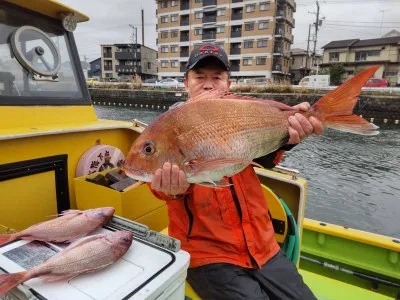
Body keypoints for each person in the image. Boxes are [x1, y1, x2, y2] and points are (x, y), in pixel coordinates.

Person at [149, 44, 323, 299]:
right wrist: (169, 190)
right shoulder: (170, 126)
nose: (209, 85)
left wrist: (288, 137)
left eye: (217, 77)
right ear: (186, 83)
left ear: (228, 84)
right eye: (200, 77)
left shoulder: (240, 114)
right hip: (208, 255)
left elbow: (264, 159)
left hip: (263, 245)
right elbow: (156, 183)